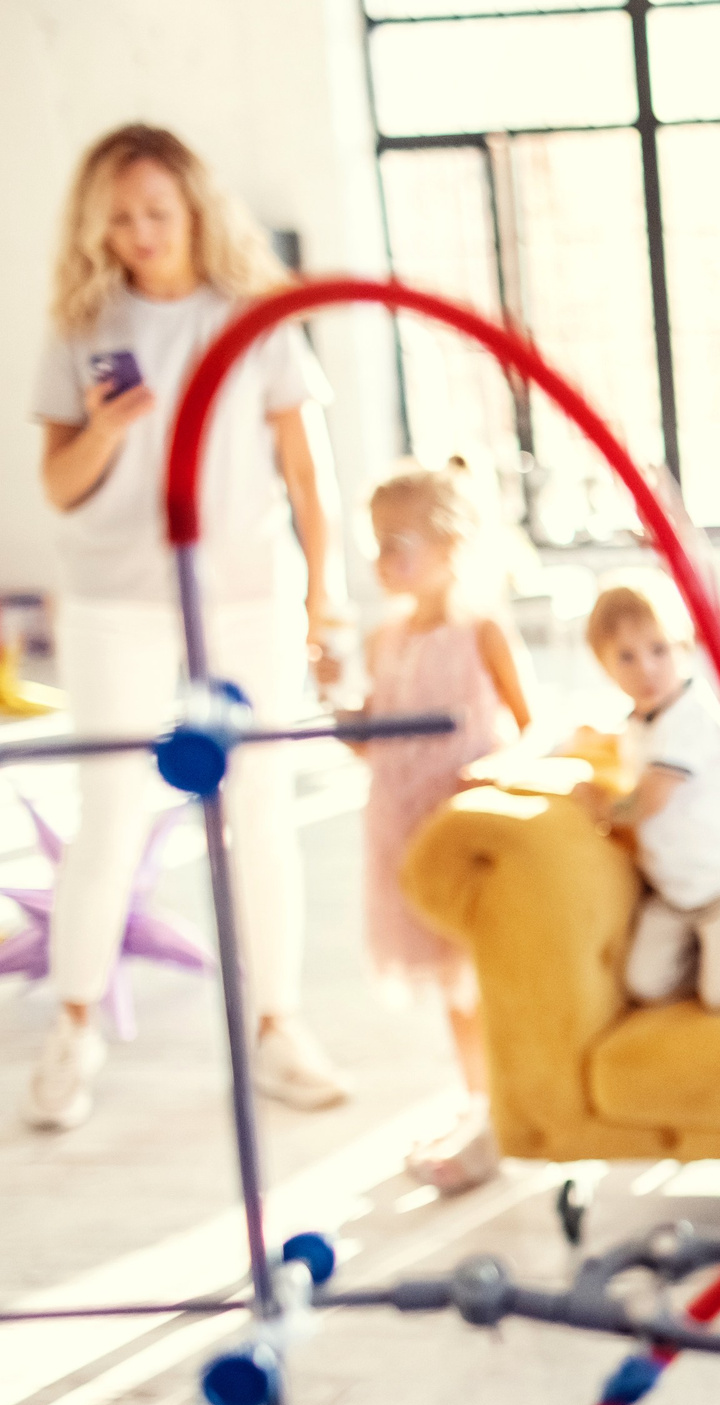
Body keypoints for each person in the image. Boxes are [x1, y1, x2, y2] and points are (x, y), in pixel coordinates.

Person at [25, 124, 350, 1131]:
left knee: (257, 809)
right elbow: (61, 488)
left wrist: (323, 599)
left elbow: (307, 472)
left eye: (156, 213)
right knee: (112, 807)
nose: (139, 234)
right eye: (119, 218)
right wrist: (111, 428)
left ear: (195, 211)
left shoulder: (254, 319)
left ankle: (276, 1025)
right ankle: (73, 1027)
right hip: (117, 595)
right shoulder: (83, 324)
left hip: (244, 589)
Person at [354, 461, 533, 1194]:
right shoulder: (381, 640)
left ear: (452, 543)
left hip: (458, 830)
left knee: (480, 980)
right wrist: (344, 716)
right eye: (376, 544)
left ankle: (505, 1103)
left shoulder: (481, 629)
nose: (384, 559)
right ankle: (476, 1100)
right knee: (449, 987)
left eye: (402, 541)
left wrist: (496, 772)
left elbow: (530, 724)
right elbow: (373, 740)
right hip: (403, 831)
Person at [575, 582, 720, 1014]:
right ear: (605, 667)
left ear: (683, 647)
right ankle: (717, 953)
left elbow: (651, 798)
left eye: (659, 650)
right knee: (645, 983)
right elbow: (628, 744)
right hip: (677, 893)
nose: (646, 669)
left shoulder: (689, 715)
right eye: (626, 657)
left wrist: (601, 808)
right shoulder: (640, 721)